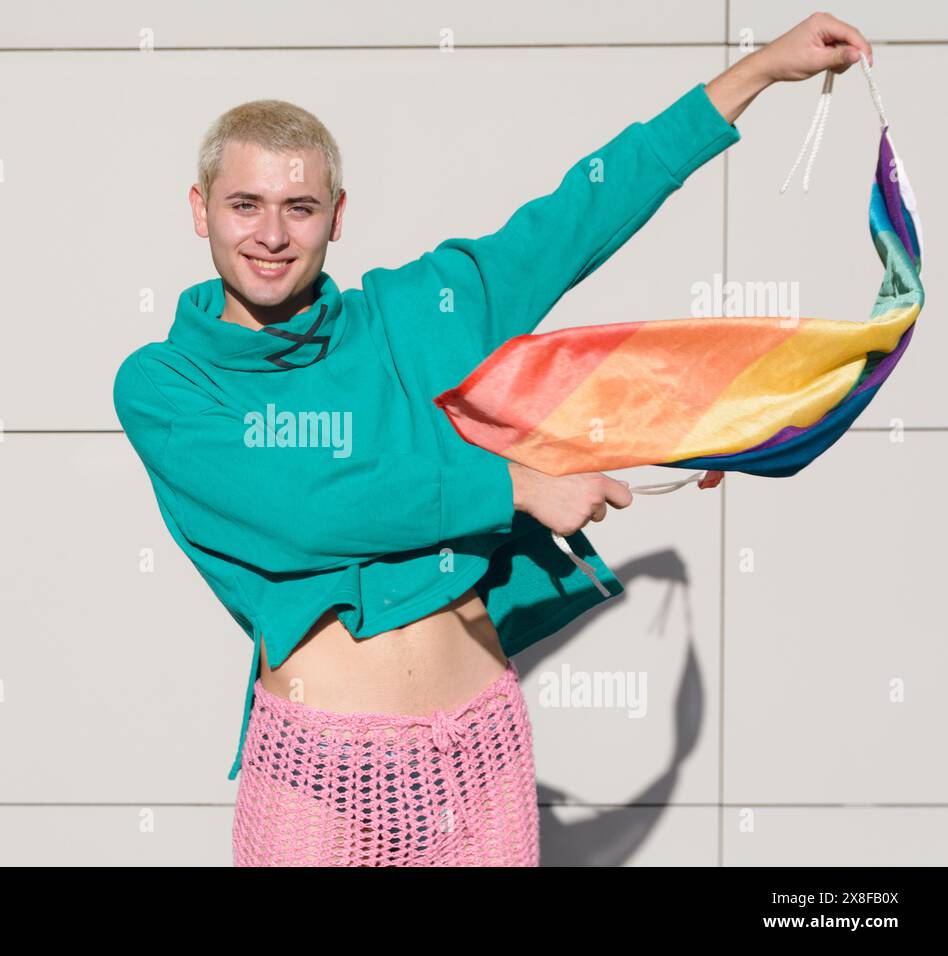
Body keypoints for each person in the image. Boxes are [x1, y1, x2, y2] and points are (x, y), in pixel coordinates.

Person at [113, 12, 873, 866]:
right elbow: (307, 504)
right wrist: (513, 485)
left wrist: (756, 73)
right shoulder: (165, 383)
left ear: (338, 215)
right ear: (199, 209)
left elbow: (572, 218)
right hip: (318, 771)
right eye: (244, 204)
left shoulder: (413, 312)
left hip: (478, 756)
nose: (272, 235)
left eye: (300, 206)